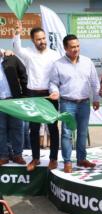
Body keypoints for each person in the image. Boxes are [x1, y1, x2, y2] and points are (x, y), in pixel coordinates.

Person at [13, 21, 60, 171]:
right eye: (39, 39)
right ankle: (35, 158)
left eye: (44, 38)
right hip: (33, 95)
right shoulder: (28, 53)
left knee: (53, 128)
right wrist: (17, 32)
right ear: (33, 40)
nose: (42, 41)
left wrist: (57, 91)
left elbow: (58, 76)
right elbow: (17, 48)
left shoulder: (55, 55)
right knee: (34, 129)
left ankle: (53, 159)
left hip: (50, 95)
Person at [49, 34, 100, 173]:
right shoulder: (58, 64)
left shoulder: (87, 62)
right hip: (67, 103)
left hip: (84, 103)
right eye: (72, 47)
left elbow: (95, 82)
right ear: (65, 48)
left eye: (77, 46)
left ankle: (81, 159)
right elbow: (53, 83)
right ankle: (67, 161)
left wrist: (96, 98)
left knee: (82, 132)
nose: (76, 49)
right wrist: (55, 91)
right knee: (66, 133)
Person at [0, 49, 28, 166]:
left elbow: (23, 74)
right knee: (0, 130)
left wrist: (24, 95)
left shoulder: (11, 58)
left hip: (14, 100)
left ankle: (17, 155)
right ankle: (3, 155)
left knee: (17, 128)